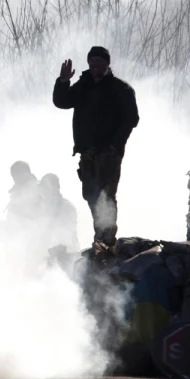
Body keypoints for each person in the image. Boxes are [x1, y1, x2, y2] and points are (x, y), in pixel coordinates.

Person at [53, 46, 140, 245]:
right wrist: (64, 82)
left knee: (106, 196)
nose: (94, 66)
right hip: (88, 153)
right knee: (90, 194)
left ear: (107, 64)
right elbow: (62, 101)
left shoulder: (121, 89)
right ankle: (100, 237)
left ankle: (107, 240)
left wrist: (115, 145)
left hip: (108, 154)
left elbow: (131, 119)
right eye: (91, 62)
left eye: (99, 62)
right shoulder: (84, 85)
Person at [39, 172, 79, 253]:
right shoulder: (41, 208)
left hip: (67, 253)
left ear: (57, 187)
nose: (45, 191)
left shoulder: (67, 207)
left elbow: (69, 232)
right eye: (43, 188)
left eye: (47, 187)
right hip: (47, 254)